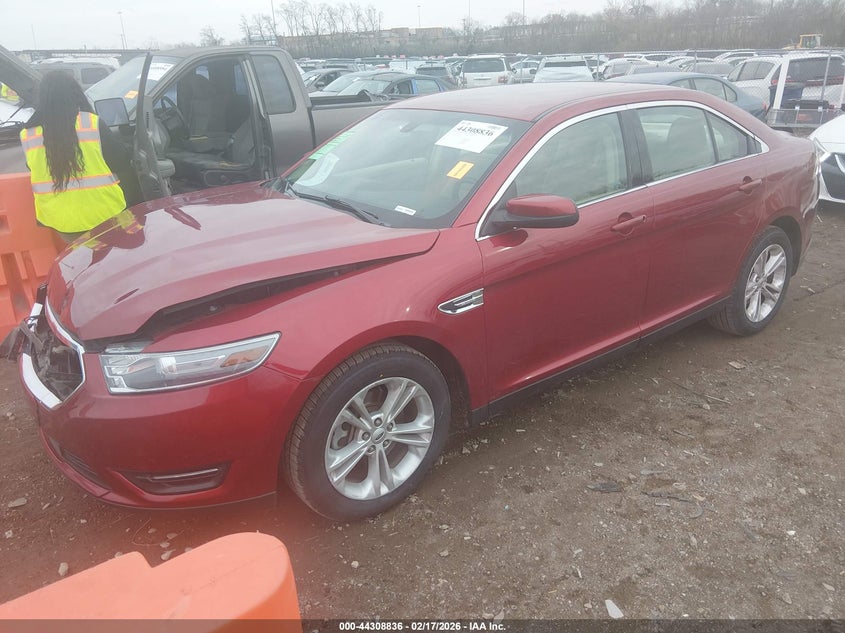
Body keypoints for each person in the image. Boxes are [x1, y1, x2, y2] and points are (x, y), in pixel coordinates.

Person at [19, 71, 142, 242]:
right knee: (119, 258)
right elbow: (121, 162)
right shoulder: (91, 123)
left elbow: (33, 168)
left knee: (87, 263)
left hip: (62, 222)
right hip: (105, 216)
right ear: (74, 94)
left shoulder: (28, 134)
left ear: (43, 99)